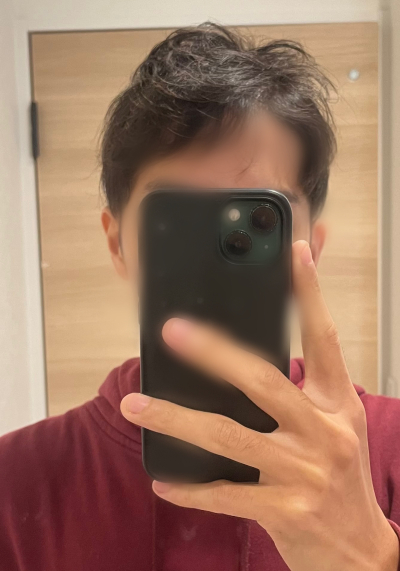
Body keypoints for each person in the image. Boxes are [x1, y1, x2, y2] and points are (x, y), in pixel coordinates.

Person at [0, 23, 399, 571]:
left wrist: (375, 556)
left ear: (311, 249)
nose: (213, 265)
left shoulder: (392, 446)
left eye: (259, 222)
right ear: (118, 245)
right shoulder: (16, 480)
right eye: (179, 223)